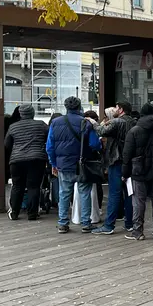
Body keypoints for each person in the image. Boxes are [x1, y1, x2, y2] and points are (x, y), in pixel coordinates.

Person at [46, 97, 102, 234]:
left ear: (66, 107)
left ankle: (63, 223)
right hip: (83, 164)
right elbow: (95, 144)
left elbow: (49, 147)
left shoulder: (55, 123)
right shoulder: (85, 122)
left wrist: (54, 163)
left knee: (64, 193)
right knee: (84, 193)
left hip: (63, 165)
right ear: (79, 107)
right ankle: (85, 223)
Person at [122, 103, 153, 241]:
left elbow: (127, 155)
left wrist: (125, 173)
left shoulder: (134, 131)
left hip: (139, 170)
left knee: (138, 201)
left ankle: (138, 232)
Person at [91, 101, 137, 235]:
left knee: (114, 194)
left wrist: (93, 122)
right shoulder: (133, 122)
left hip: (116, 160)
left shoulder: (117, 122)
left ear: (121, 109)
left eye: (116, 107)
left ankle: (109, 225)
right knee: (129, 193)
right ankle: (129, 223)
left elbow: (101, 131)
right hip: (129, 161)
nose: (115, 109)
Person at [4, 104, 49, 220]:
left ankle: (14, 212)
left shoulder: (13, 127)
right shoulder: (41, 125)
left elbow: (7, 144)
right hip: (37, 159)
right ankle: (32, 214)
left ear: (21, 114)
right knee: (33, 186)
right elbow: (49, 140)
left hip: (17, 160)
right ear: (33, 113)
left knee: (17, 186)